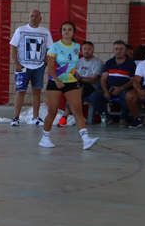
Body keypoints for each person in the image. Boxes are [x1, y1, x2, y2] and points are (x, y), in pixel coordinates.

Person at [38, 22, 99, 150]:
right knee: (52, 111)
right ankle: (45, 138)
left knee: (77, 110)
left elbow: (72, 65)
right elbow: (50, 67)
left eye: (69, 29)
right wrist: (56, 79)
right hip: (55, 82)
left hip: (71, 81)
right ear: (61, 32)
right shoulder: (54, 47)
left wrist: (77, 76)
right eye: (64, 29)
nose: (66, 31)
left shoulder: (77, 47)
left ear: (73, 32)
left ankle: (86, 139)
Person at [9, 9, 53, 126]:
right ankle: (15, 118)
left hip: (39, 67)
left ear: (40, 18)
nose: (33, 18)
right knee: (20, 91)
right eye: (31, 16)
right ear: (29, 17)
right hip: (23, 66)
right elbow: (13, 46)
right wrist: (16, 62)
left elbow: (50, 48)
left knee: (37, 91)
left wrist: (46, 61)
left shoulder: (45, 32)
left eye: (36, 16)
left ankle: (35, 117)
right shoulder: (21, 30)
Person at [91, 40, 137, 124]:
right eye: (116, 49)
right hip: (109, 88)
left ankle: (124, 118)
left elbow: (133, 80)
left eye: (121, 49)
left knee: (126, 96)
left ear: (125, 50)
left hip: (124, 88)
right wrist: (105, 91)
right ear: (113, 50)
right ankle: (107, 118)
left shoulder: (131, 64)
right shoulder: (109, 62)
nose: (118, 51)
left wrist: (121, 88)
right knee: (95, 96)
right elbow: (103, 79)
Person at [74, 41, 102, 123]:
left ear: (93, 50)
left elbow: (93, 79)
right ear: (81, 50)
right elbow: (73, 76)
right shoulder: (78, 61)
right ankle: (72, 116)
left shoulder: (97, 62)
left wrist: (80, 79)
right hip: (80, 85)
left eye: (89, 49)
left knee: (79, 89)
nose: (86, 51)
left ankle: (76, 116)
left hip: (93, 87)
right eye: (84, 49)